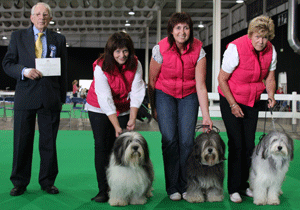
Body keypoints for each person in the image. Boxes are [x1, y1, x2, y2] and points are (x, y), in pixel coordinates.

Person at [2, 2, 67, 196]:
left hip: (50, 97)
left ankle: (48, 182)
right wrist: (24, 71)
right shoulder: (17, 36)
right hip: (25, 96)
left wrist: (61, 97)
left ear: (50, 17)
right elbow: (7, 63)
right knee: (22, 141)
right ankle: (19, 182)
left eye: (45, 14)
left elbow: (63, 71)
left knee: (48, 143)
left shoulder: (59, 39)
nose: (41, 17)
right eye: (37, 14)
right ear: (31, 18)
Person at [148, 12, 213, 201]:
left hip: (189, 96)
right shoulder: (160, 49)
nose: (182, 32)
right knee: (169, 139)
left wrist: (206, 116)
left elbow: (201, 85)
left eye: (186, 27)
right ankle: (172, 187)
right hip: (164, 94)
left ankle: (185, 185)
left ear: (190, 30)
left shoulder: (199, 50)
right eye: (178, 28)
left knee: (186, 142)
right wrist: (154, 107)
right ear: (171, 30)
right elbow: (152, 81)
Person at [217, 15, 277, 203]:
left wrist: (271, 95)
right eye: (258, 36)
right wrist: (233, 104)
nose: (261, 41)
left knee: (249, 145)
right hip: (231, 97)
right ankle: (233, 188)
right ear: (250, 35)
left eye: (265, 37)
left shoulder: (271, 51)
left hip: (252, 100)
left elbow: (269, 77)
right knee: (237, 144)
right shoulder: (236, 48)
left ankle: (244, 186)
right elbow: (222, 79)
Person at [85, 31, 146, 202]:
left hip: (124, 108)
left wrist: (132, 118)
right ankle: (103, 189)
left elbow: (137, 91)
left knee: (120, 148)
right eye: (118, 51)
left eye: (125, 51)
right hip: (98, 108)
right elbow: (105, 98)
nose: (122, 55)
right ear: (111, 52)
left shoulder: (136, 64)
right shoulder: (100, 66)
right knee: (102, 146)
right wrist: (117, 127)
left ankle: (121, 188)